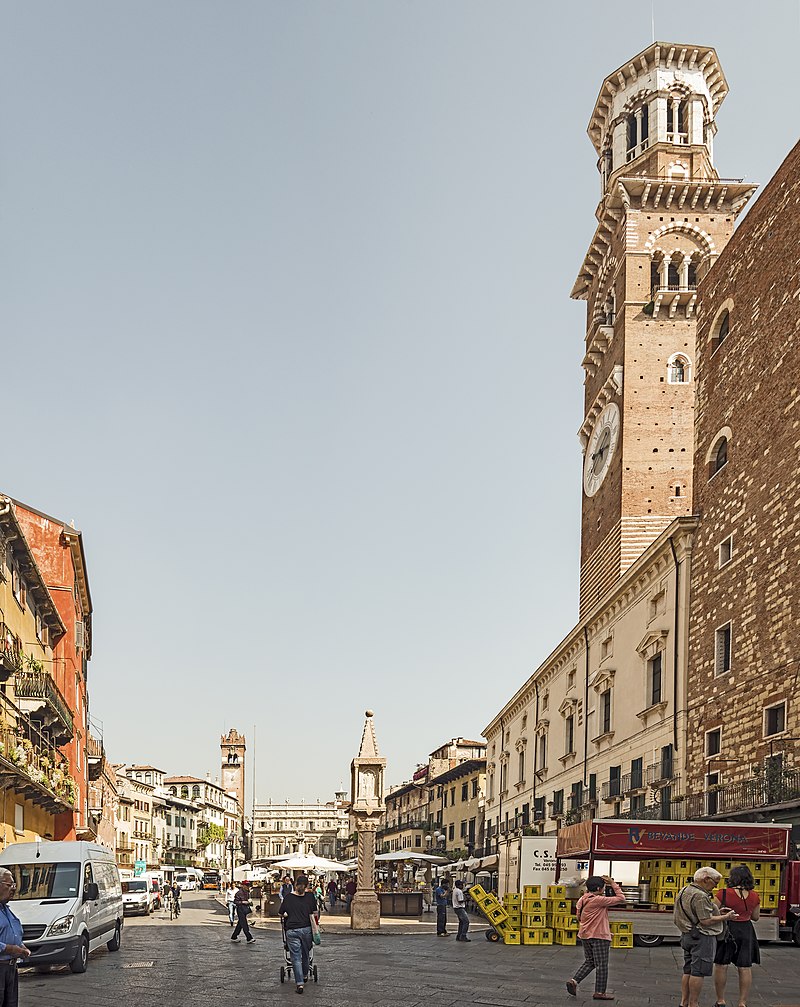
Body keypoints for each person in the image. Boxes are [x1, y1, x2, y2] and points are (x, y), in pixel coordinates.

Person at [674, 866, 738, 1007]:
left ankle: (684, 1002)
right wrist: (726, 917)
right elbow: (705, 920)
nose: (715, 886)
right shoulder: (701, 895)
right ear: (706, 879)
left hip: (687, 934)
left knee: (688, 969)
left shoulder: (684, 890)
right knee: (698, 971)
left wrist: (717, 911)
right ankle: (694, 1003)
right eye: (715, 882)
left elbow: (694, 913)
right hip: (702, 936)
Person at [566, 874, 625, 1001]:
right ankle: (599, 992)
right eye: (603, 887)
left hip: (585, 935)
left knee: (590, 961)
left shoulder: (582, 899)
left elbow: (579, 917)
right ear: (599, 888)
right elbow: (621, 898)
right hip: (599, 937)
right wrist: (613, 883)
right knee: (602, 965)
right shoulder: (598, 900)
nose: (604, 889)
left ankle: (574, 981)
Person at [712, 864, 761, 1007]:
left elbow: (713, 912)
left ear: (732, 878)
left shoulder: (723, 893)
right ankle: (742, 1002)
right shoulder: (754, 895)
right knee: (745, 967)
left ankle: (721, 1000)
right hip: (746, 929)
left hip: (728, 928)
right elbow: (756, 917)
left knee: (721, 965)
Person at [279, 875, 317, 994]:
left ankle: (299, 984)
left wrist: (286, 915)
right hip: (306, 929)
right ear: (307, 886)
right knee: (306, 954)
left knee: (295, 957)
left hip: (292, 930)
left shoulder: (288, 897)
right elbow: (315, 913)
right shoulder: (310, 897)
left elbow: (281, 913)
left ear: (295, 884)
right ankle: (305, 975)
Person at [0, 868, 30, 1006]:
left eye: (14, 885)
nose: (13, 889)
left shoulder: (6, 909)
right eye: (9, 885)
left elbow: (12, 933)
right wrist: (10, 949)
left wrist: (21, 946)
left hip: (11, 968)